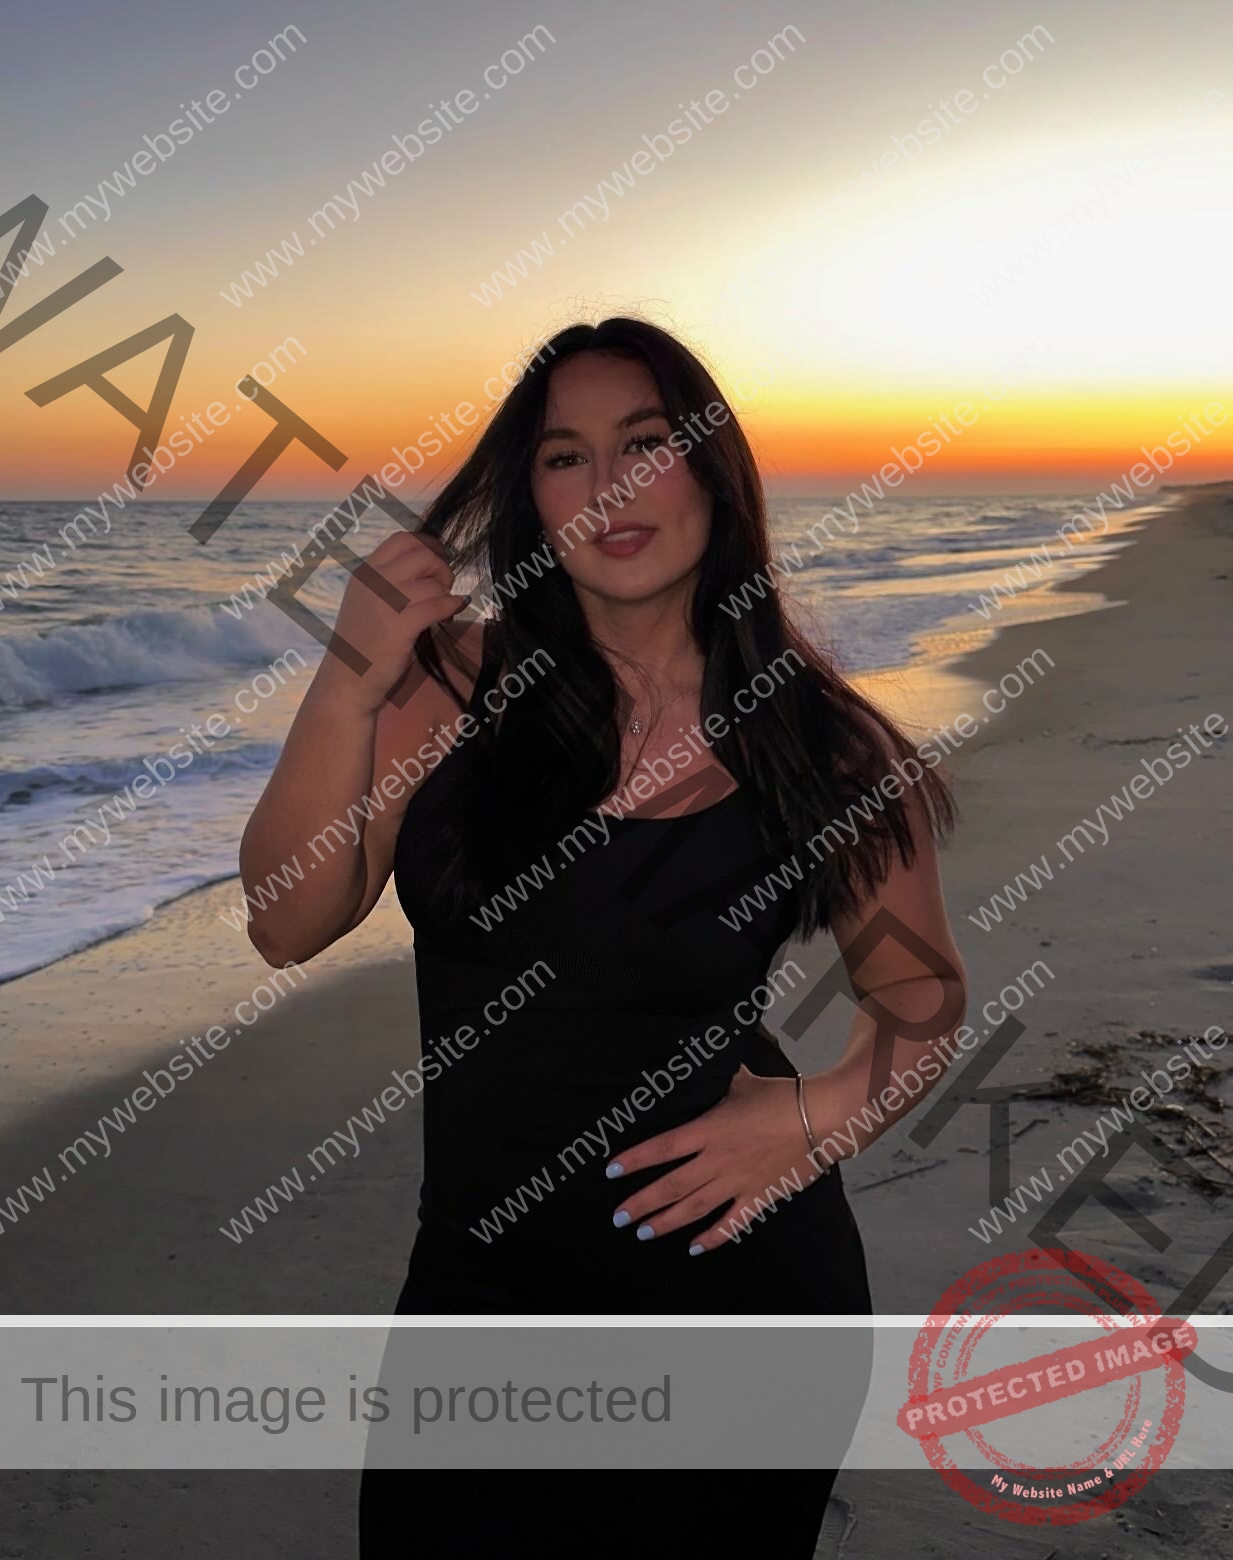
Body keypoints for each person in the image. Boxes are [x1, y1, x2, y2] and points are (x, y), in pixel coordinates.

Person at [238, 317, 969, 1557]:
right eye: (566, 457)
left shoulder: (820, 744)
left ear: (713, 472)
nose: (609, 488)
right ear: (531, 496)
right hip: (478, 1295)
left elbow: (924, 1002)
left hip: (738, 1309)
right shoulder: (448, 686)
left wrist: (816, 1115)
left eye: (646, 444)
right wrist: (350, 677)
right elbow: (285, 921)